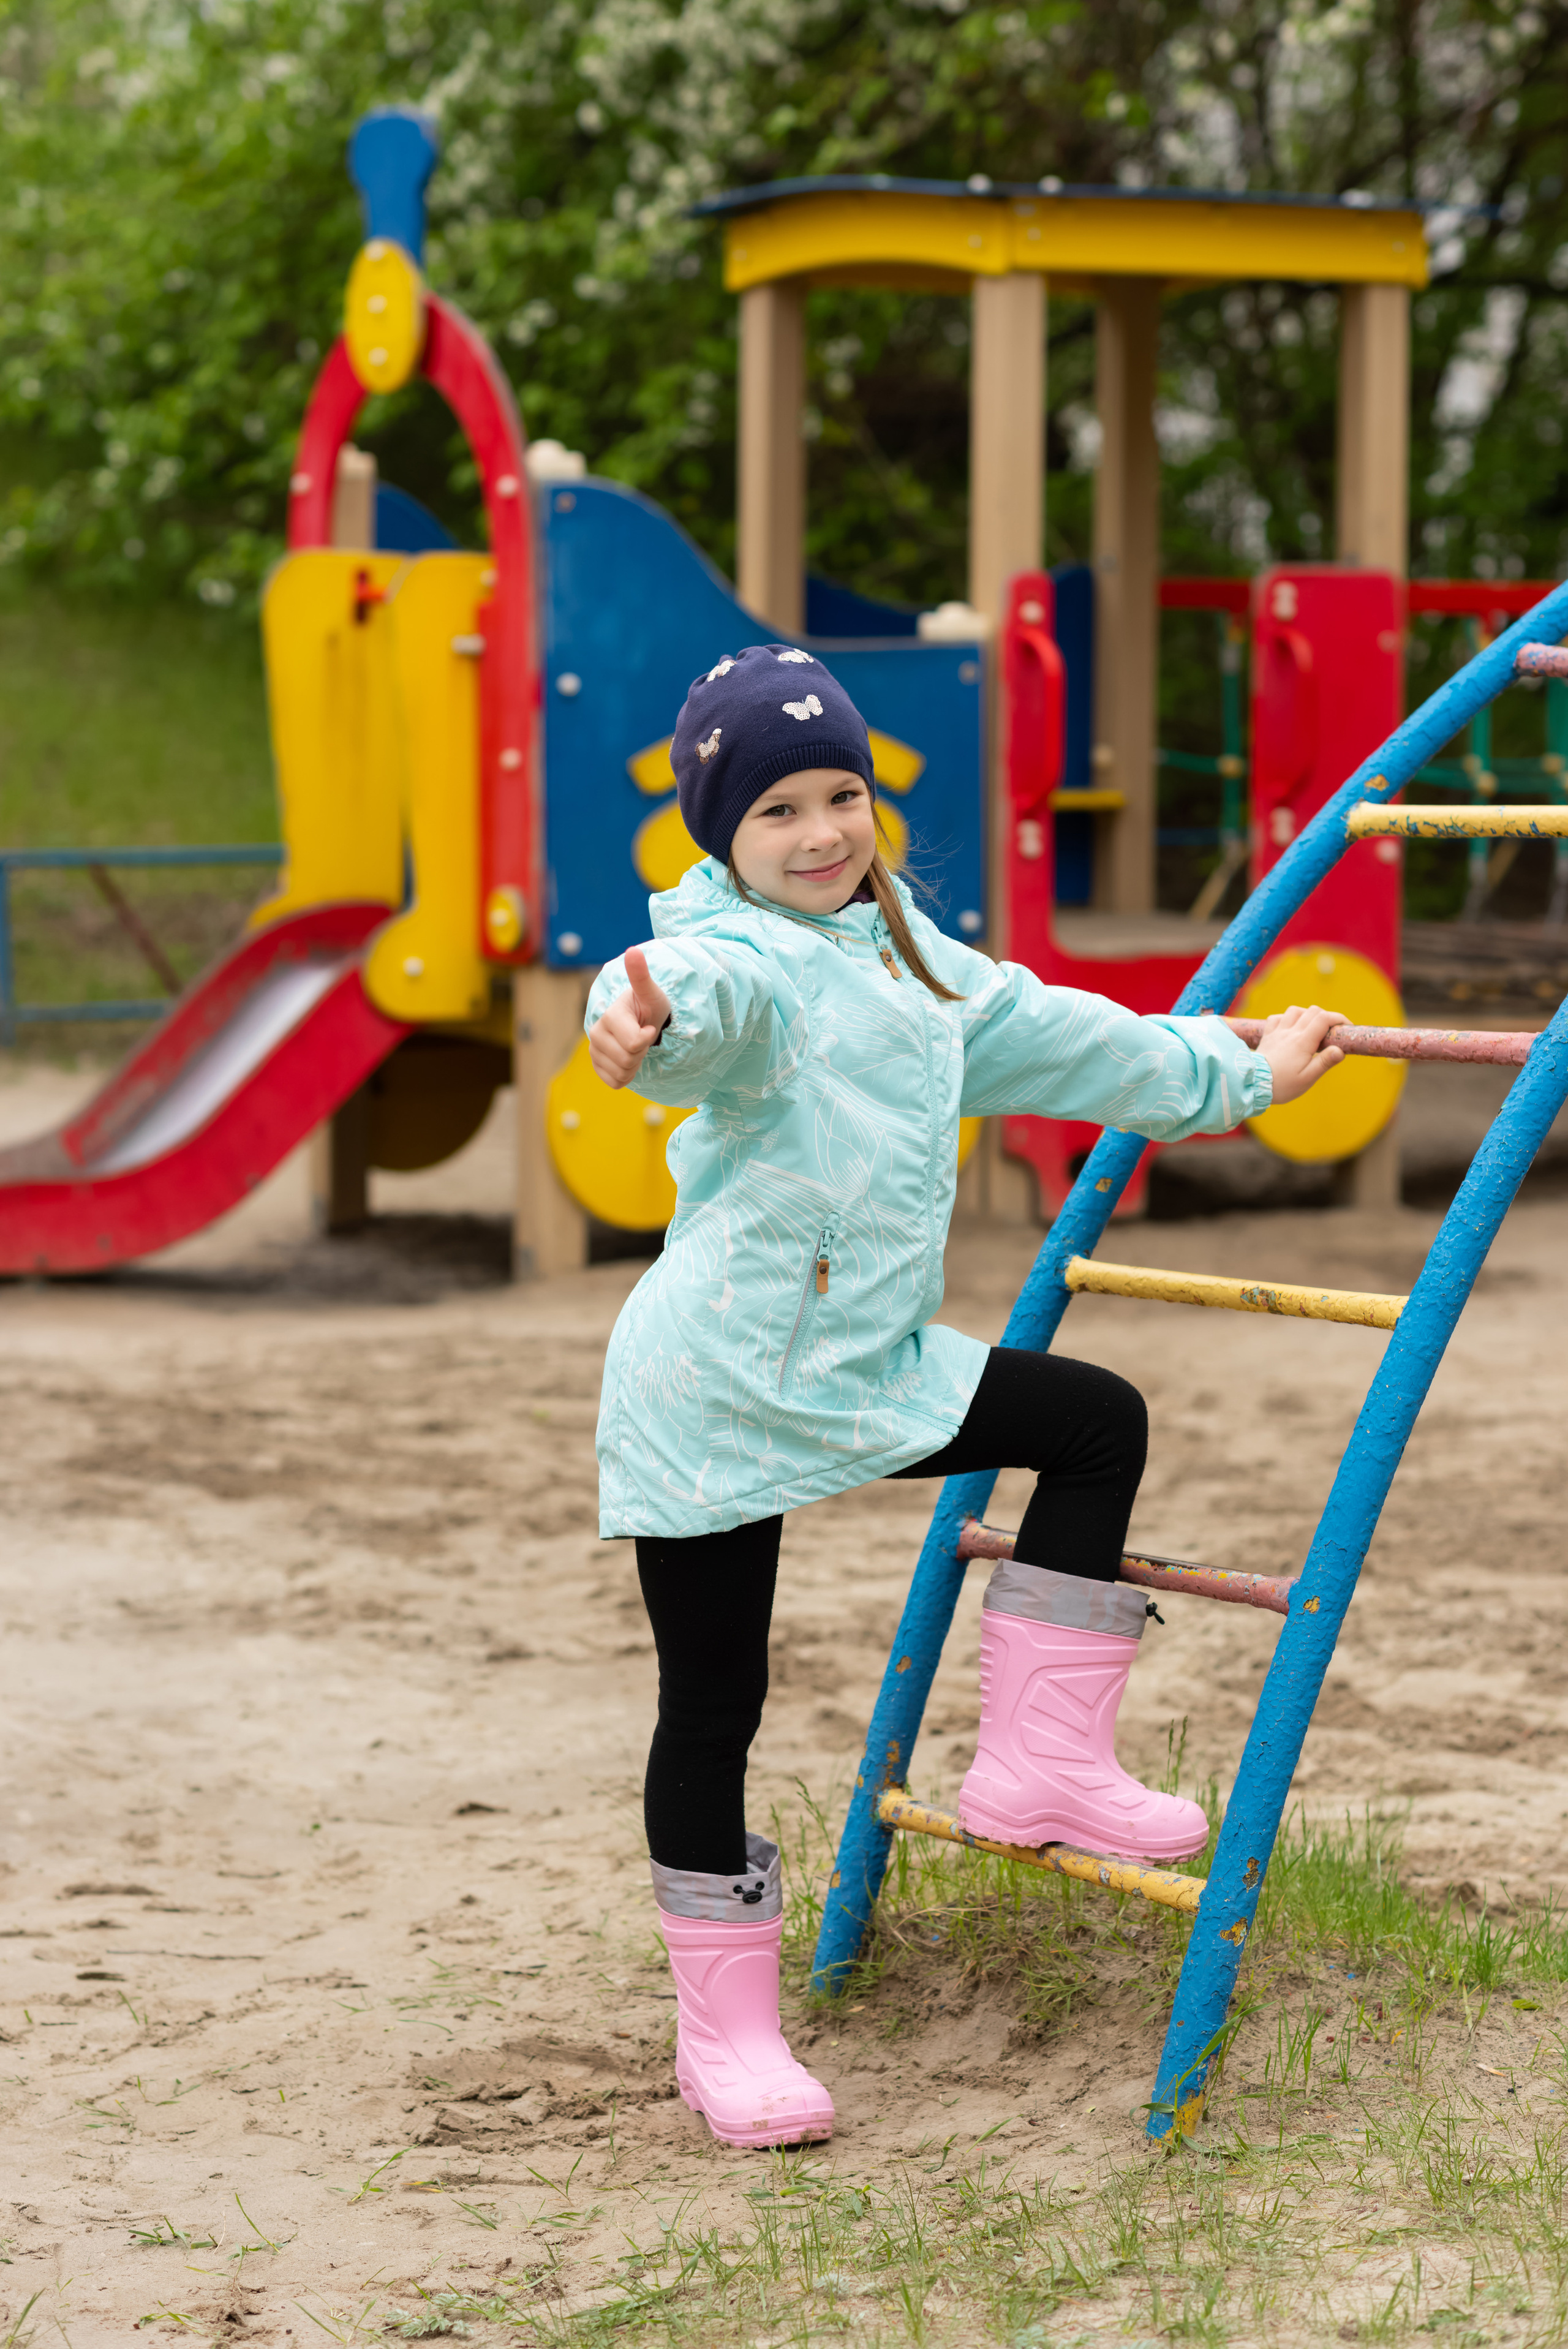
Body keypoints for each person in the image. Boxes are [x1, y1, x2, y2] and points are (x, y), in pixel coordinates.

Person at [585, 644, 1345, 2151]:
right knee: (713, 1702)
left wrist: (1243, 1064)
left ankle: (1036, 1764)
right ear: (718, 841)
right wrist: (637, 1017)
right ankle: (728, 2041)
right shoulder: (740, 966)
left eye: (841, 795)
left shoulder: (921, 967)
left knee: (1090, 1419)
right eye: (777, 812)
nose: (820, 833)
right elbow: (687, 1004)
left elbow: (1078, 1038)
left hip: (861, 1363)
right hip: (716, 1383)